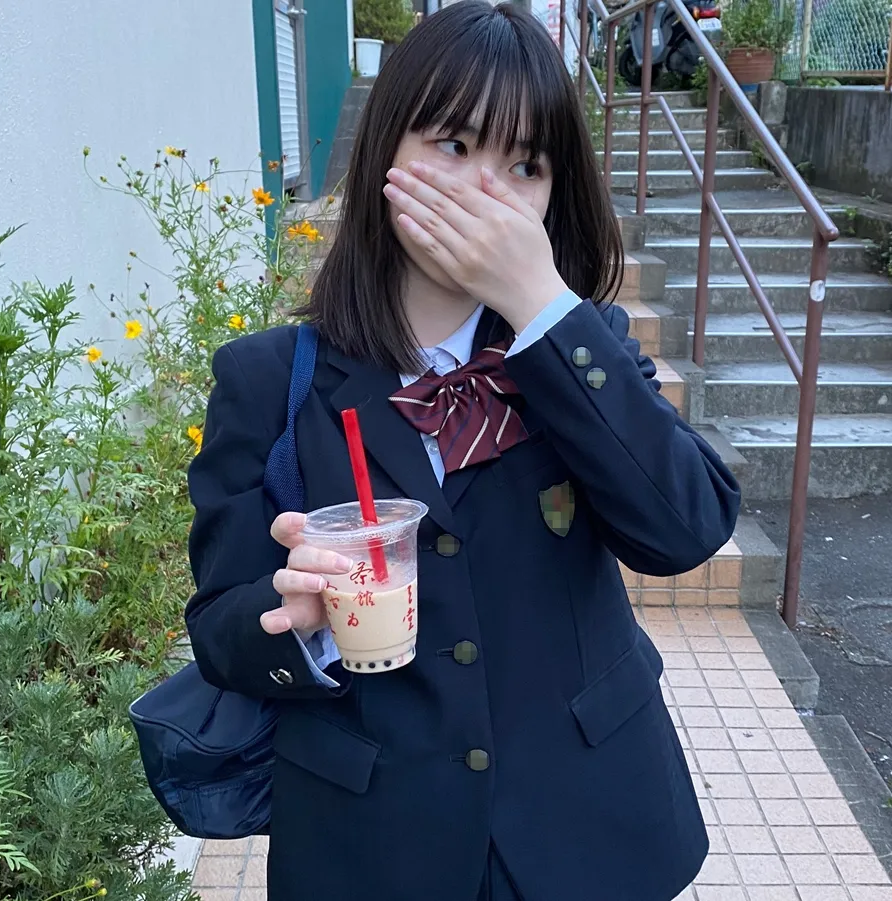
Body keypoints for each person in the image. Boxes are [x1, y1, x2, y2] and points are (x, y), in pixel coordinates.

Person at [185, 2, 741, 899]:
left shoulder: (584, 347)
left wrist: (542, 306)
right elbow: (220, 629)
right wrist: (299, 622)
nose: (487, 193)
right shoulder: (268, 378)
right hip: (373, 846)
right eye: (452, 144)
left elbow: (686, 529)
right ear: (385, 155)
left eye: (525, 165)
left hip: (589, 827)